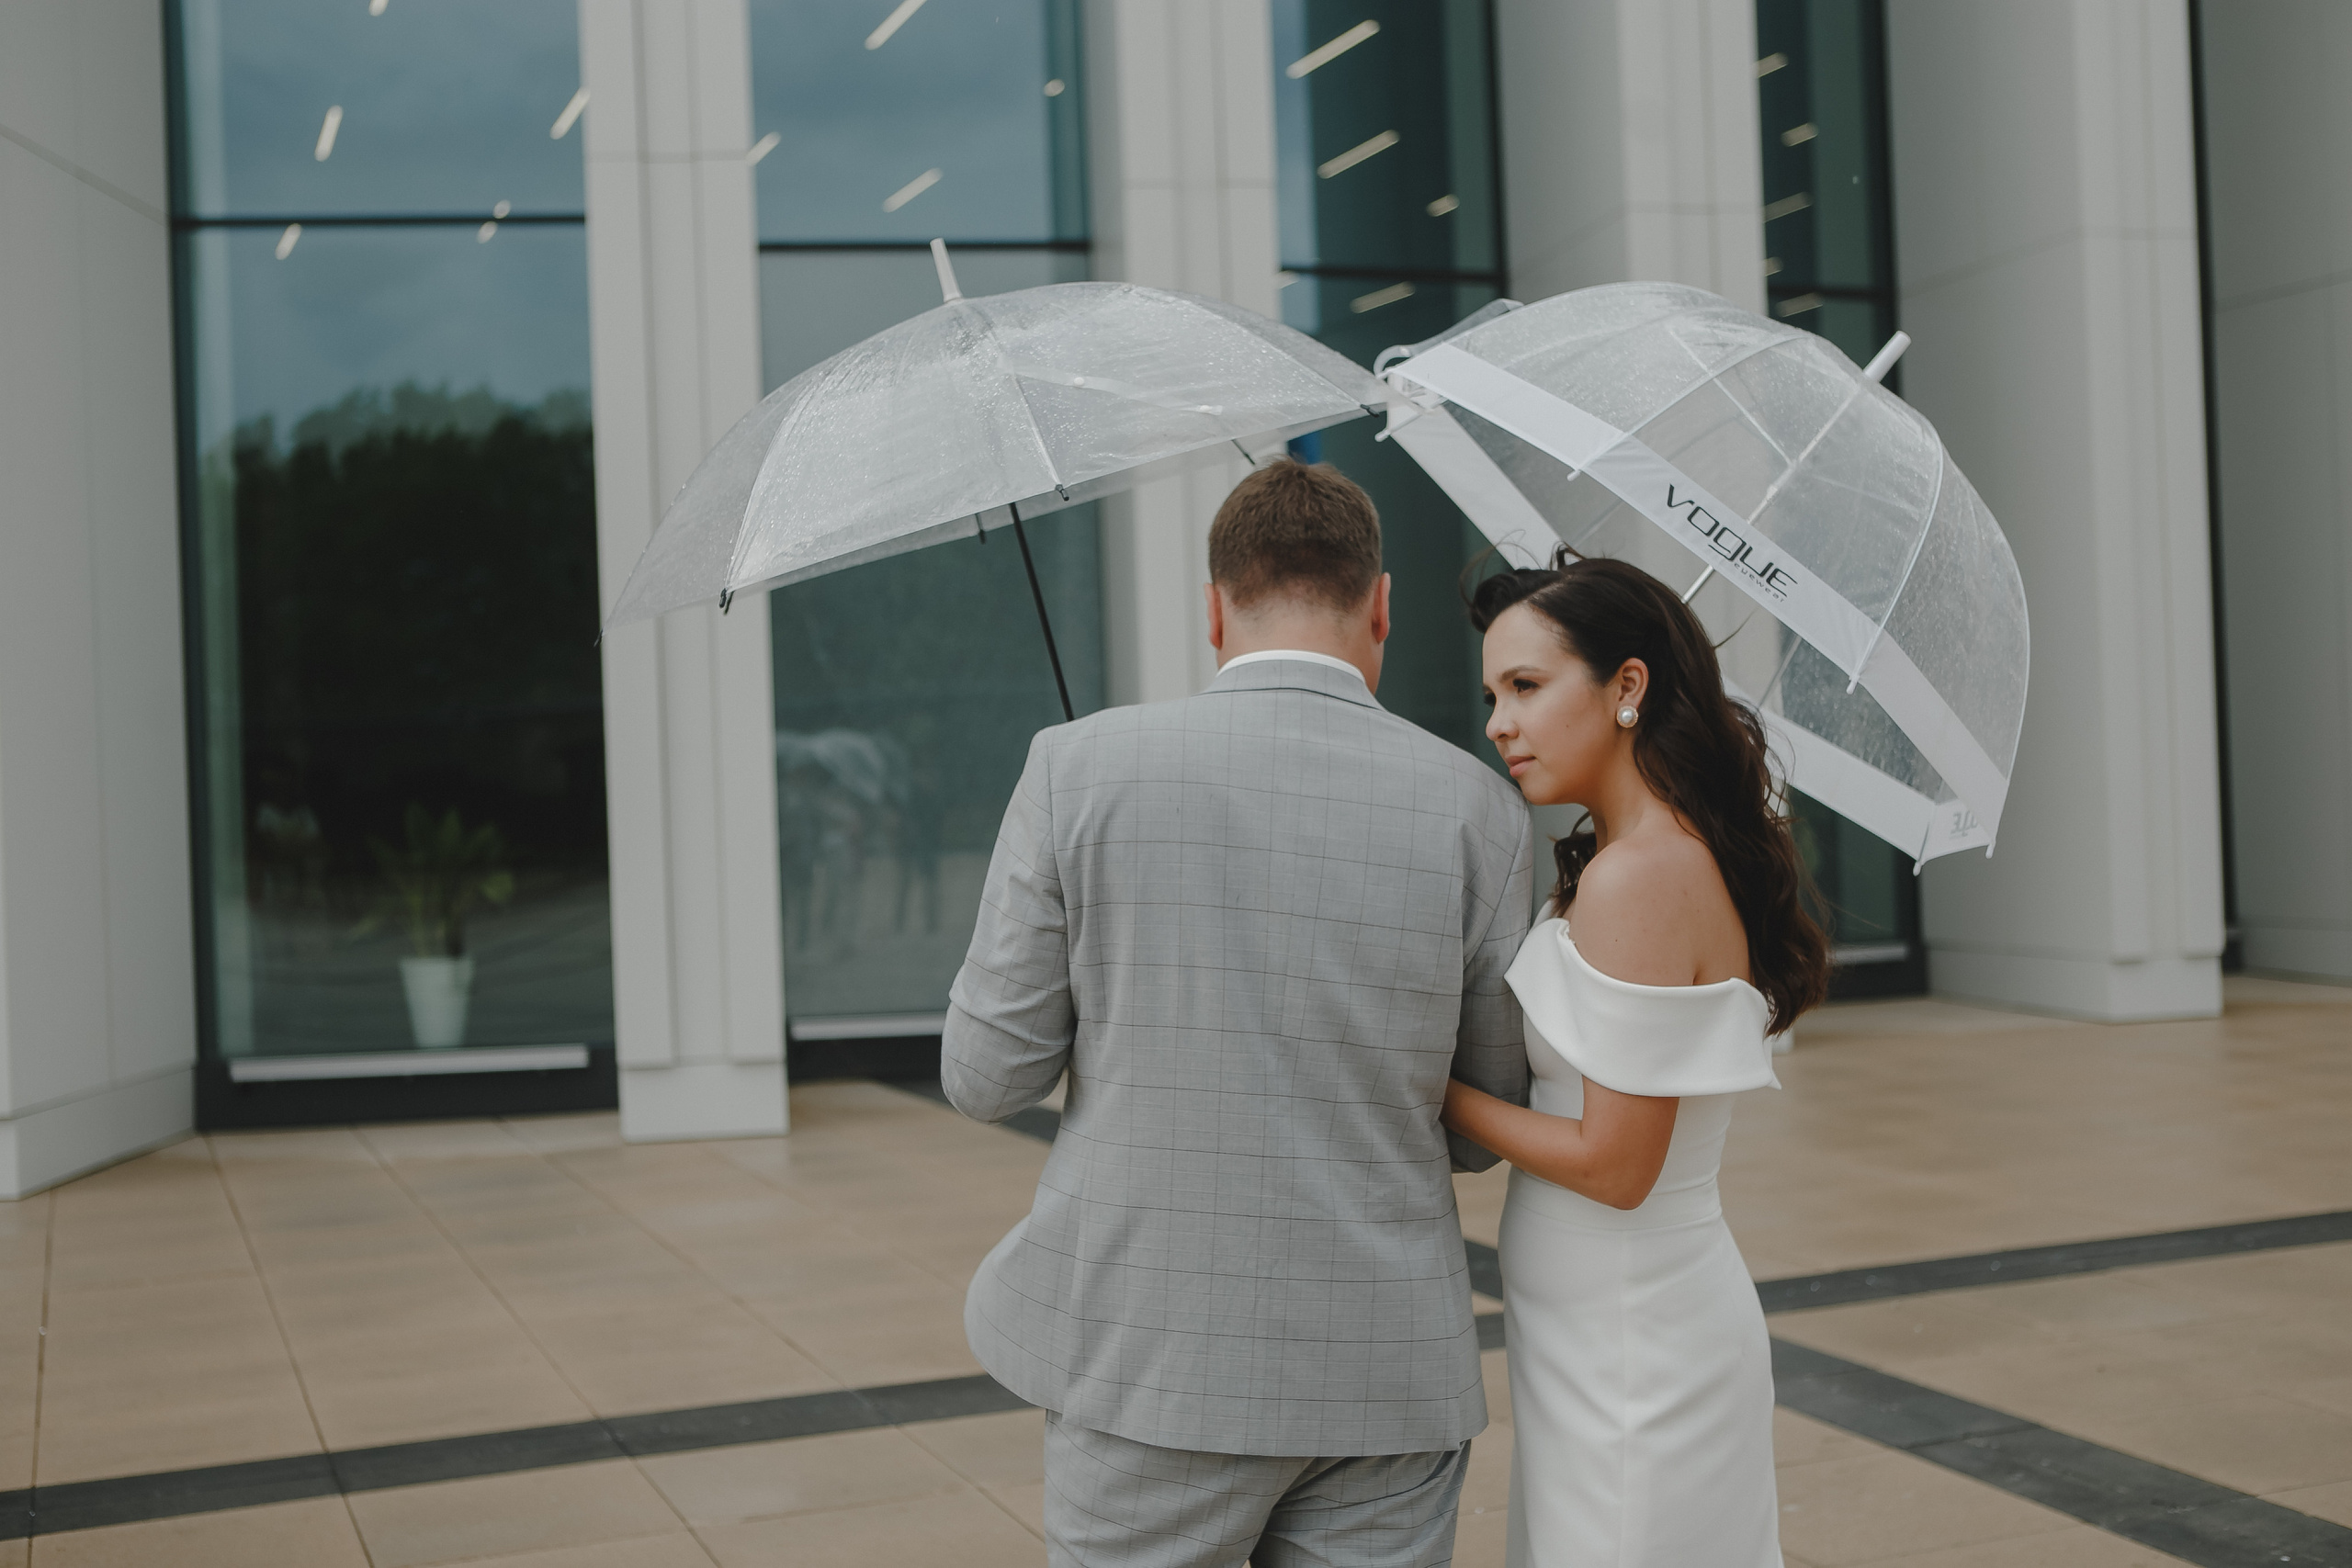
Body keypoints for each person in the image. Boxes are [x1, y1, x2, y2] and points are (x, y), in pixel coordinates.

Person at [942, 460, 1534, 1568]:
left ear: (1212, 609)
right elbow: (1478, 1127)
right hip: (1386, 1374)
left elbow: (985, 1079)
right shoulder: (1481, 809)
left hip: (1144, 1360)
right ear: (1382, 605)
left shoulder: (1076, 768)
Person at [1442, 551, 1830, 1567]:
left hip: (1634, 1345)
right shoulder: (1630, 860)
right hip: (1601, 1331)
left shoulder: (1640, 877)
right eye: (1491, 693)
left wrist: (1434, 1094)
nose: (1498, 722)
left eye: (1526, 686)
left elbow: (1618, 1166)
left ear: (1626, 688)